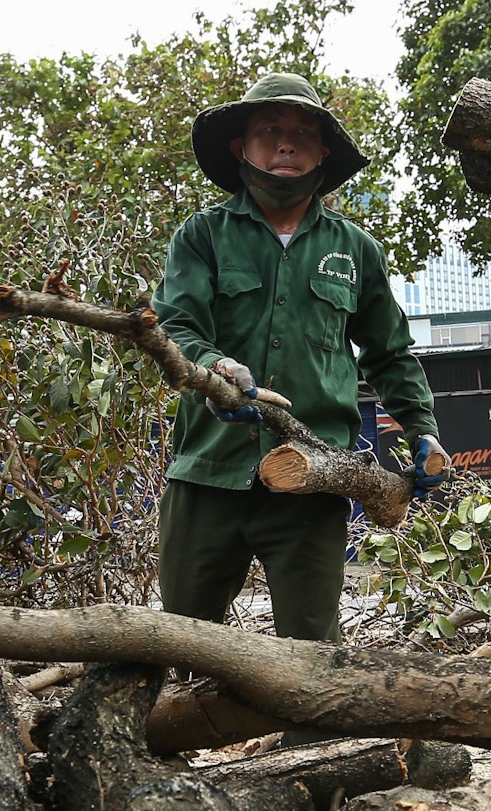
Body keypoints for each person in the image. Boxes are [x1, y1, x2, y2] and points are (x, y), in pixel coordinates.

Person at [150, 72, 445, 644]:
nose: (286, 143)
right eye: (269, 130)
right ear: (242, 147)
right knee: (184, 643)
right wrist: (218, 374)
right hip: (209, 473)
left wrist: (422, 428)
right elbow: (177, 325)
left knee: (311, 658)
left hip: (313, 477)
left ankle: (313, 741)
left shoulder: (355, 249)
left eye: (302, 133)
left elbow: (389, 352)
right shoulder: (202, 236)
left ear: (323, 152)